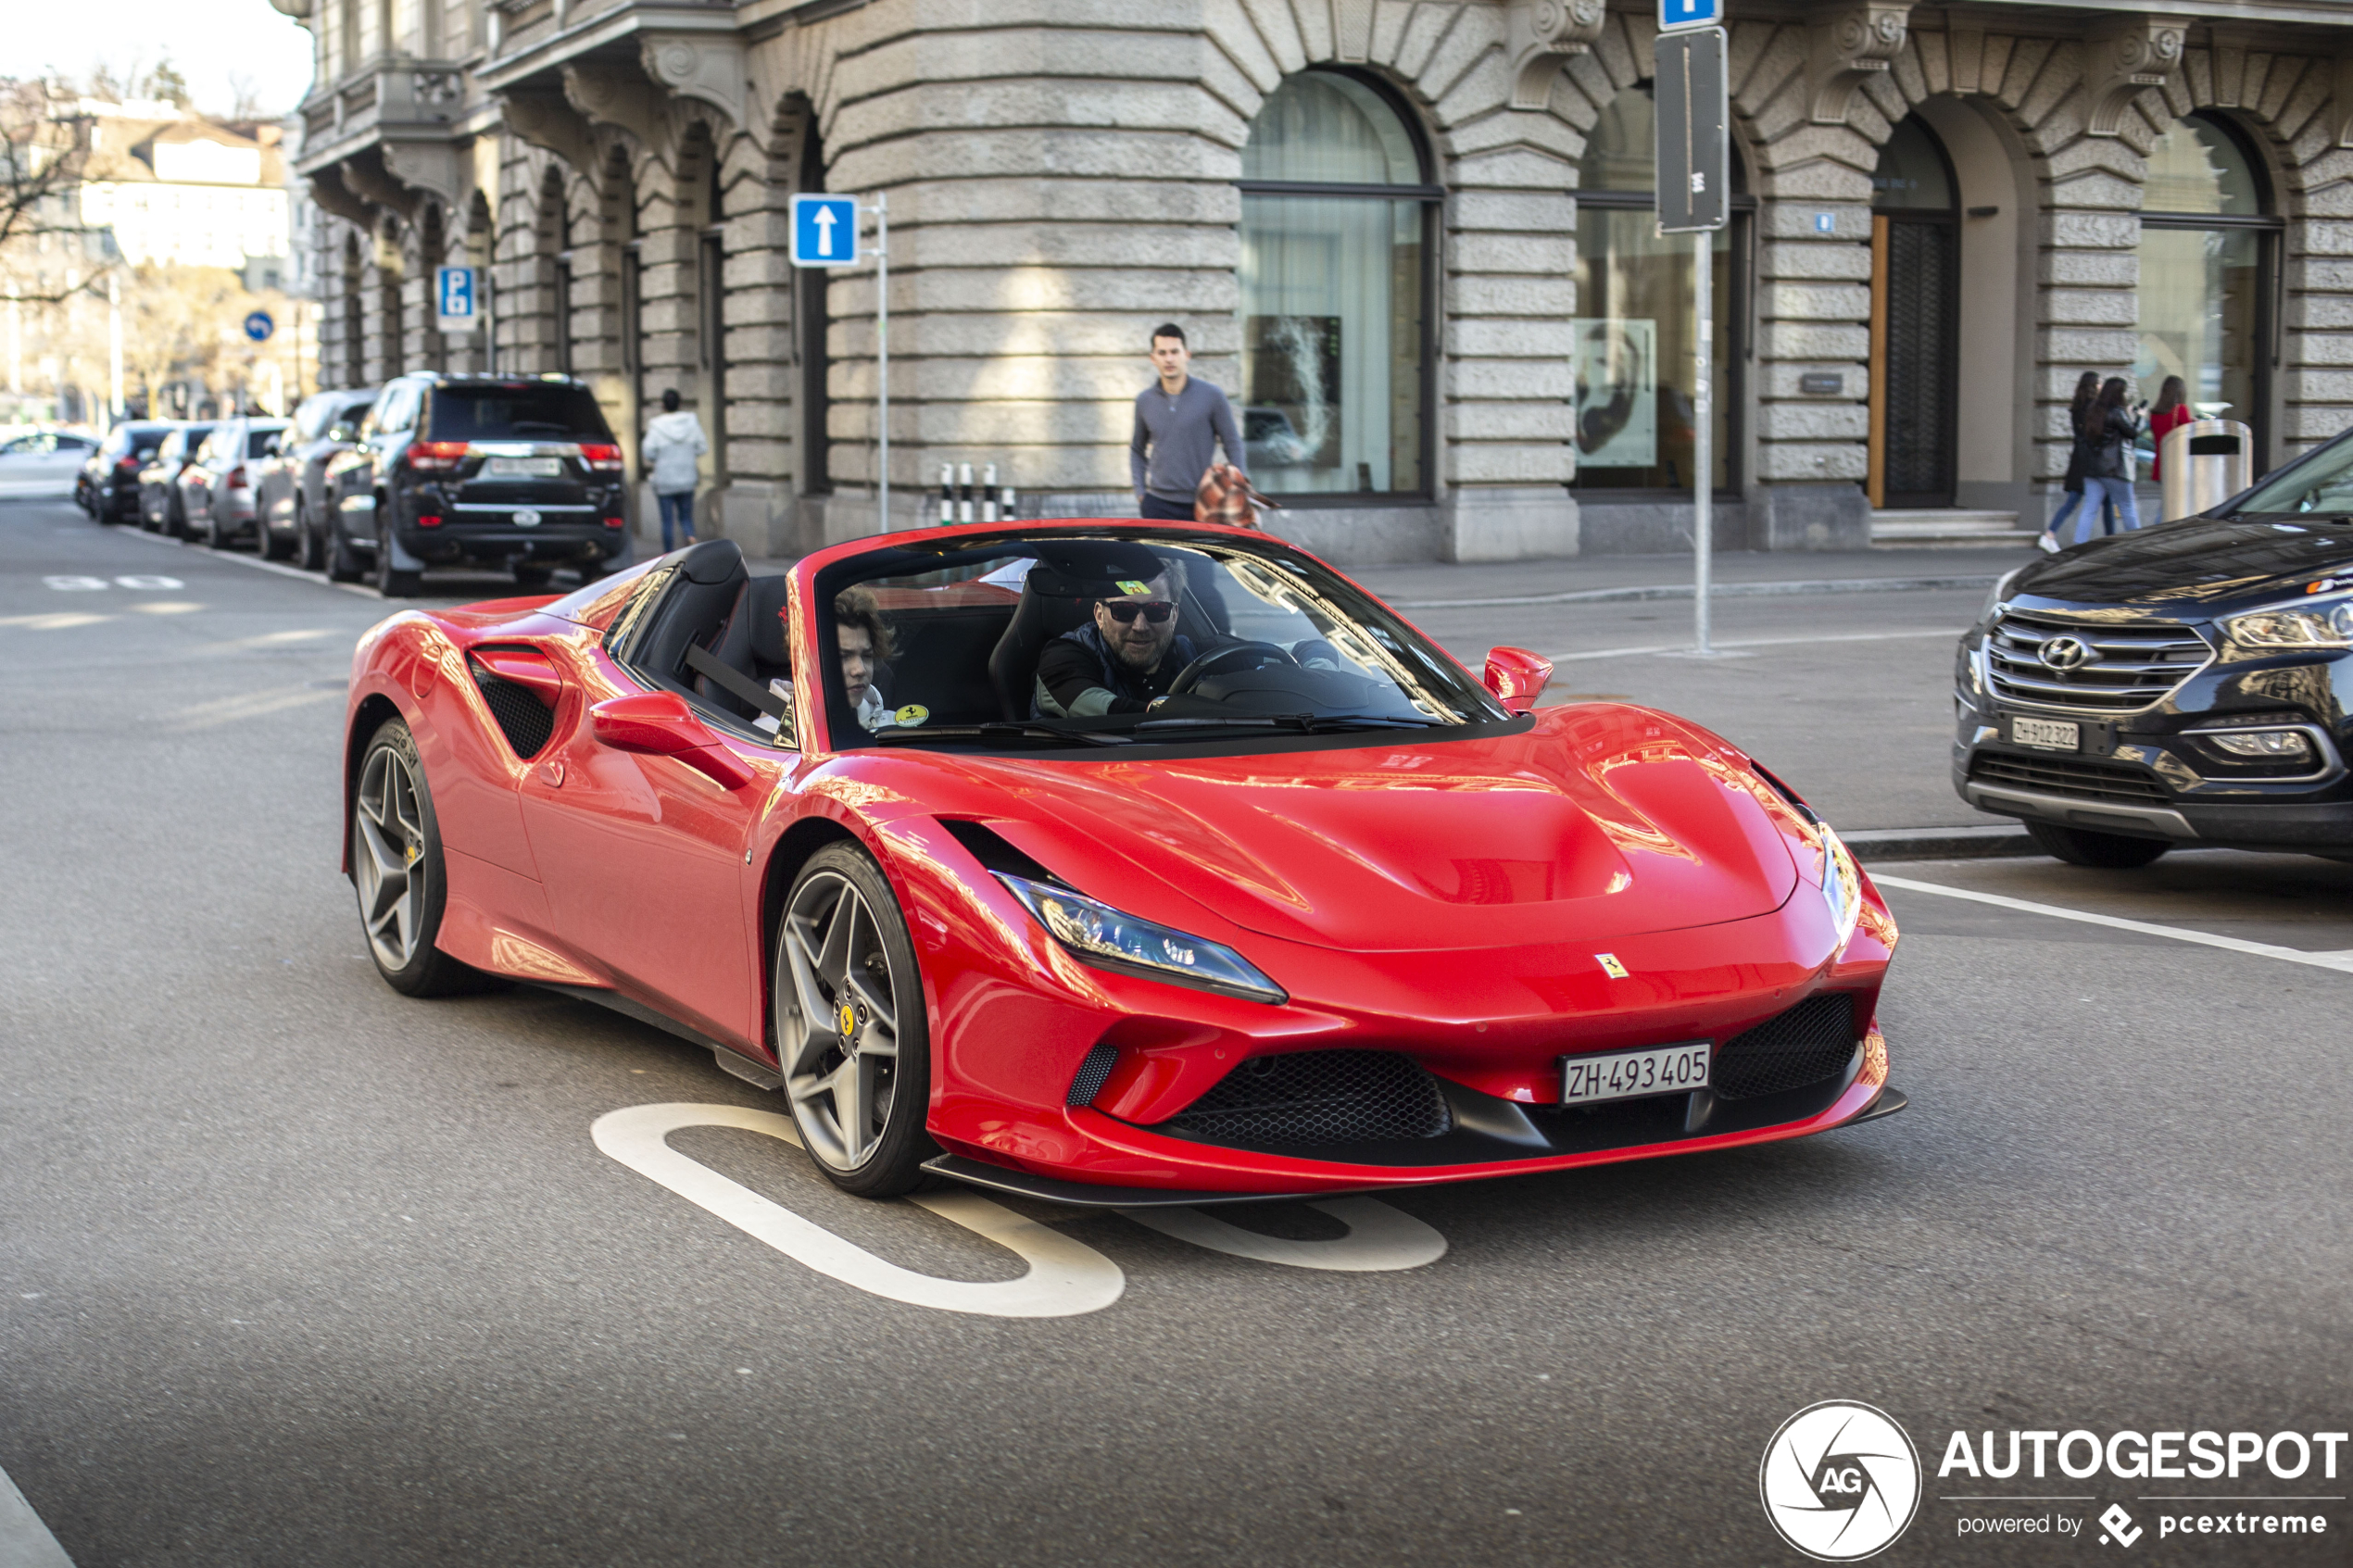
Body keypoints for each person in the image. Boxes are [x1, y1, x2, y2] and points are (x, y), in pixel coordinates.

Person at [1033, 567, 1198, 718]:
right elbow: (1109, 712)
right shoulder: (1061, 658)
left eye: (1156, 610)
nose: (1140, 626)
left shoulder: (1194, 655)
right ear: (1099, 615)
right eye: (1123, 610)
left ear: (1174, 615)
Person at [1129, 323, 1246, 521]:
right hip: (1157, 505)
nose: (1169, 358)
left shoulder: (1212, 396)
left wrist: (1239, 491)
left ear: (1187, 355)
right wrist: (1141, 493)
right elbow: (1137, 450)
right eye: (1162, 352)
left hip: (1204, 504)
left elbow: (1233, 443)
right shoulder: (1144, 401)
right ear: (1153, 358)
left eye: (1175, 352)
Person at [2039, 371, 2114, 552]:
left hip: (2078, 458)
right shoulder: (2094, 407)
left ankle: (2050, 534)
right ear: (2092, 386)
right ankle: (2113, 541)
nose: (2100, 387)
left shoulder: (2077, 406)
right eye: (2098, 384)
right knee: (2106, 501)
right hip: (2091, 460)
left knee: (2073, 500)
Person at [642, 388, 709, 551]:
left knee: (667, 521)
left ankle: (668, 557)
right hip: (687, 477)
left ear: (663, 406)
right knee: (686, 518)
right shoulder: (691, 423)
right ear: (680, 404)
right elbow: (702, 447)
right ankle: (690, 539)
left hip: (665, 480)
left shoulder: (657, 426)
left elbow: (648, 452)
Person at [2083, 376, 2145, 534]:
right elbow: (2133, 432)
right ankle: (2136, 543)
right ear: (2119, 393)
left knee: (2089, 510)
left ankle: (2079, 542)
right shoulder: (2117, 412)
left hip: (2094, 468)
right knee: (2127, 506)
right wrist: (2140, 417)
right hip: (2115, 468)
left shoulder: (2093, 409)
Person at [2148, 374, 2193, 483]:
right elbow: (2190, 432)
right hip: (2177, 462)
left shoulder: (2154, 413)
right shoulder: (2180, 409)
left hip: (2160, 463)